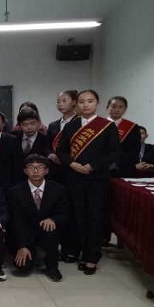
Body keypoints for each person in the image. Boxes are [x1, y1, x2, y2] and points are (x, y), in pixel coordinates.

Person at [56, 89, 120, 275]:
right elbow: (61, 150)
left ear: (97, 103)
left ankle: (91, 257)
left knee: (94, 217)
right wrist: (72, 163)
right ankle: (72, 250)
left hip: (97, 179)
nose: (85, 105)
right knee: (74, 215)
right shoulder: (71, 126)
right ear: (76, 104)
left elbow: (114, 153)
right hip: (73, 176)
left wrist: (93, 166)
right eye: (82, 101)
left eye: (90, 101)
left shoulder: (107, 126)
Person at [9, 154, 69, 282]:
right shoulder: (15, 192)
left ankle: (52, 266)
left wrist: (53, 219)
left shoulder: (58, 189)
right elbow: (16, 221)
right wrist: (22, 245)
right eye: (31, 167)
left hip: (47, 230)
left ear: (46, 170)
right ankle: (27, 252)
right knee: (23, 267)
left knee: (51, 228)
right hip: (26, 232)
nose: (35, 171)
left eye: (40, 167)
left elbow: (64, 213)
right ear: (25, 171)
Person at [46, 90, 78, 180]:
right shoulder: (53, 125)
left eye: (64, 101)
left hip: (73, 167)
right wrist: (50, 154)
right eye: (58, 102)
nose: (60, 104)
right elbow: (47, 146)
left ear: (74, 102)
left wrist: (65, 159)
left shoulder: (80, 124)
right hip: (55, 167)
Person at [106, 96, 141, 177]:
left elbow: (134, 150)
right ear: (107, 108)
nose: (117, 110)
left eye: (121, 107)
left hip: (124, 169)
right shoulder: (98, 125)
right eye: (114, 106)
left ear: (125, 109)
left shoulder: (132, 127)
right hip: (100, 170)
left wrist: (116, 162)